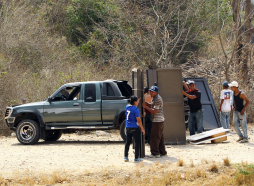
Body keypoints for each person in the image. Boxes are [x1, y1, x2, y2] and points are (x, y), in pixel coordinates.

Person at [142, 86, 167, 158]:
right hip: (160, 120)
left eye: (152, 91)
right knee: (160, 137)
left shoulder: (157, 99)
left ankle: (155, 153)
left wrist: (145, 107)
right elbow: (153, 106)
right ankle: (162, 152)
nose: (151, 93)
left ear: (156, 92)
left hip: (157, 121)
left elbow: (155, 111)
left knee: (154, 137)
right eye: (150, 91)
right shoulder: (155, 98)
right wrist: (147, 103)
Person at [124, 96, 145, 162]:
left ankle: (126, 157)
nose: (138, 102)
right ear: (135, 102)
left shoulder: (127, 107)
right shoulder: (135, 109)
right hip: (135, 127)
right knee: (137, 142)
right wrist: (142, 128)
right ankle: (136, 157)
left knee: (128, 142)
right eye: (137, 101)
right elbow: (138, 120)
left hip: (128, 127)